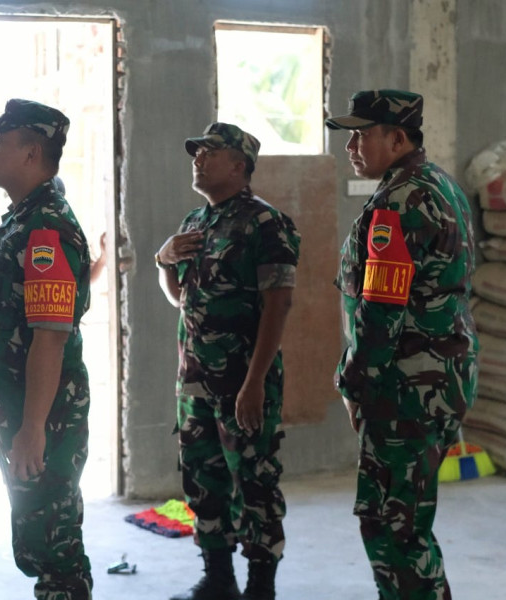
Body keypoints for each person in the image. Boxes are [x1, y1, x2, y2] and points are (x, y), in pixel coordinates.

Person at [326, 90, 479, 600]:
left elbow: (382, 310)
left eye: (361, 134)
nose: (351, 145)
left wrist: (354, 380)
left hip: (406, 385)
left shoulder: (401, 199)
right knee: (406, 520)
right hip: (436, 376)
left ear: (397, 137)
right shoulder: (439, 184)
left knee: (393, 527)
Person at [156, 122, 300, 600]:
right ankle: (218, 580)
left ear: (239, 165)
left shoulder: (265, 224)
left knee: (255, 481)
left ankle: (261, 586)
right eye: (195, 151)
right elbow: (180, 297)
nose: (197, 158)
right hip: (195, 380)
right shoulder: (195, 223)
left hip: (242, 379)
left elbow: (278, 303)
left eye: (210, 152)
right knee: (203, 479)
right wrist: (163, 261)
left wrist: (255, 381)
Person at [0, 99, 94, 600]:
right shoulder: (23, 219)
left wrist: (32, 428)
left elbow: (50, 335)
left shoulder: (46, 229)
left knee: (54, 549)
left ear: (31, 153)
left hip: (44, 416)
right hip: (21, 410)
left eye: (0, 141)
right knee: (37, 542)